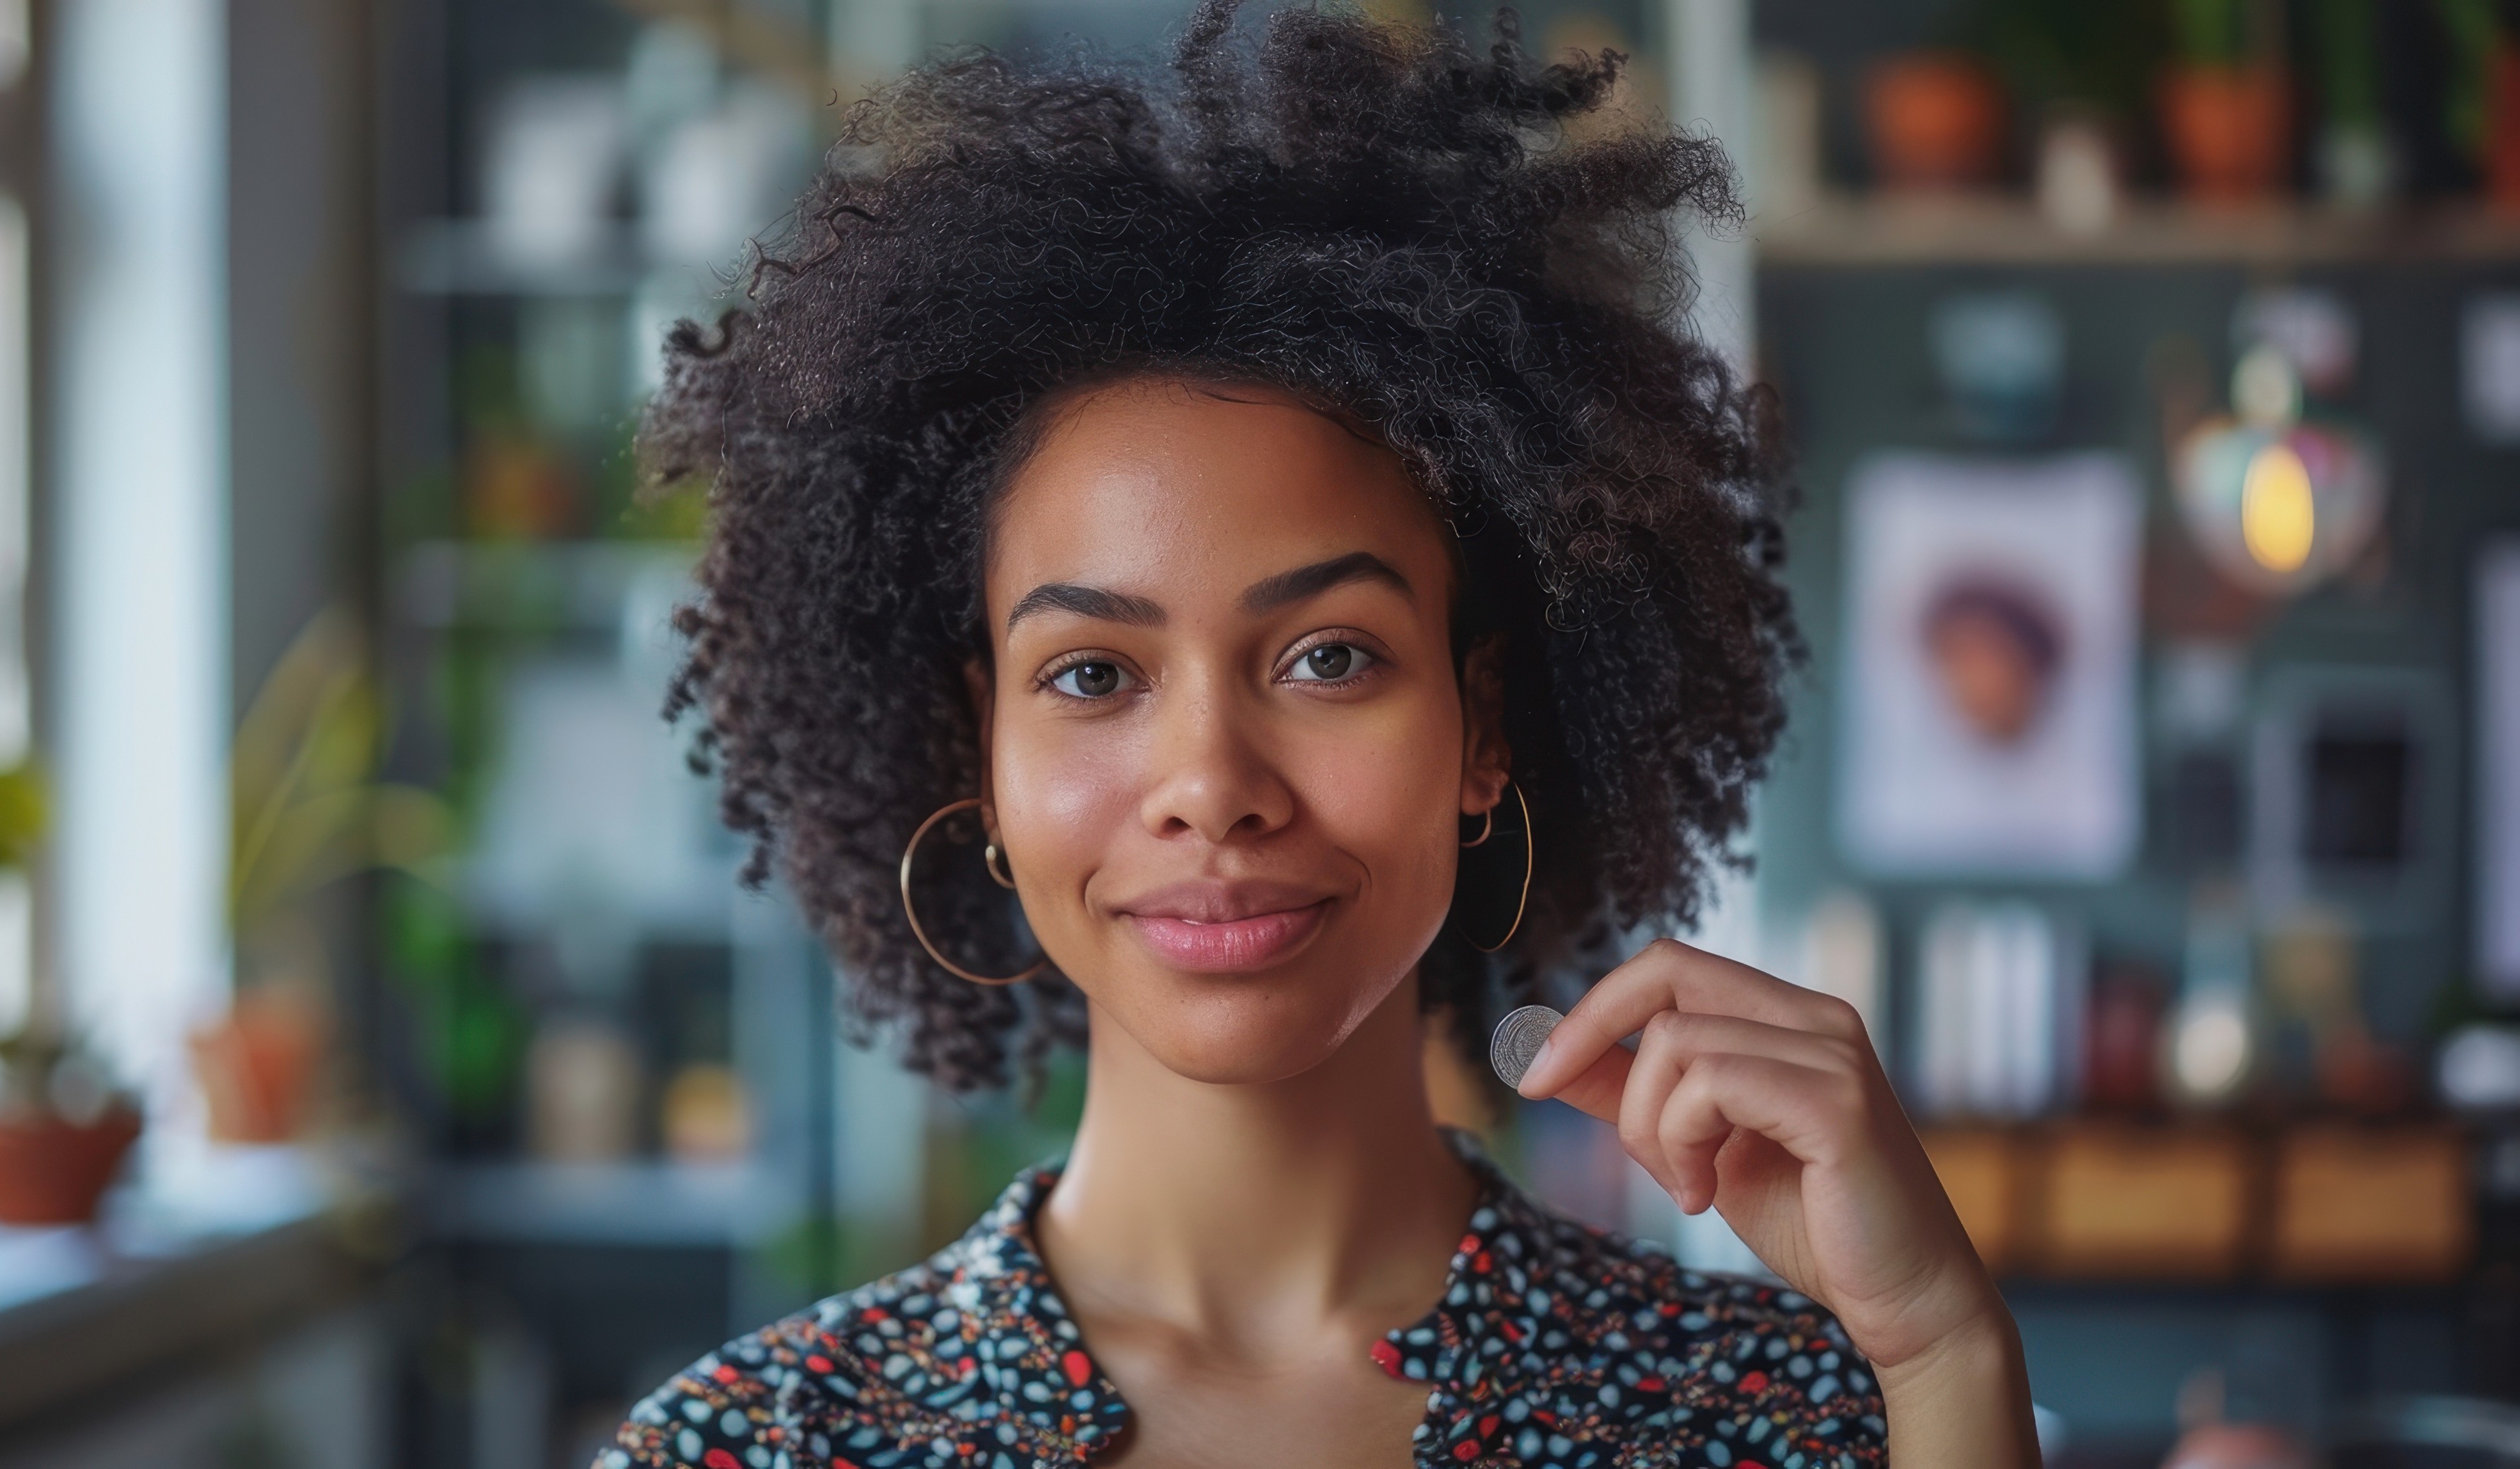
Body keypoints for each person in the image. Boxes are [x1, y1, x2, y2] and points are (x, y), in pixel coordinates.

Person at [608, 4, 2036, 1466]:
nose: (1211, 786)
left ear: (1481, 724)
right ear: (981, 744)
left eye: (1327, 655)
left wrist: (1938, 1340)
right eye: (1093, 672)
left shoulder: (1776, 1417)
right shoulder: (751, 1442)